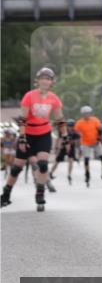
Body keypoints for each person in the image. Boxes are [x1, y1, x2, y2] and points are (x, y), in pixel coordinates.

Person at [1, 67, 67, 211]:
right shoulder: (29, 96)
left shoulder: (54, 99)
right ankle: (6, 194)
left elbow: (60, 119)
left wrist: (65, 136)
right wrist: (23, 138)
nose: (45, 81)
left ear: (51, 83)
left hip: (44, 133)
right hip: (28, 133)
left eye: (48, 79)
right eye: (43, 78)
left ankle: (40, 193)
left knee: (43, 165)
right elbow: (23, 119)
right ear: (37, 81)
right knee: (16, 168)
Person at [75, 106, 102, 187]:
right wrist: (76, 137)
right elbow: (76, 132)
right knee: (86, 159)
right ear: (83, 114)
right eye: (85, 114)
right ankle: (87, 174)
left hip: (96, 142)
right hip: (85, 143)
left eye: (88, 113)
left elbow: (100, 127)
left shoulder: (94, 120)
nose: (87, 115)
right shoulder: (80, 123)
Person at [49, 119, 80, 185]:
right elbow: (58, 139)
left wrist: (70, 143)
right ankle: (51, 173)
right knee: (57, 161)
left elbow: (75, 141)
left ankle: (69, 175)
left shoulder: (75, 133)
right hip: (63, 148)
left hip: (71, 148)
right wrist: (56, 147)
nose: (70, 127)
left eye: (71, 126)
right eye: (69, 126)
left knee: (71, 161)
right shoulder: (63, 131)